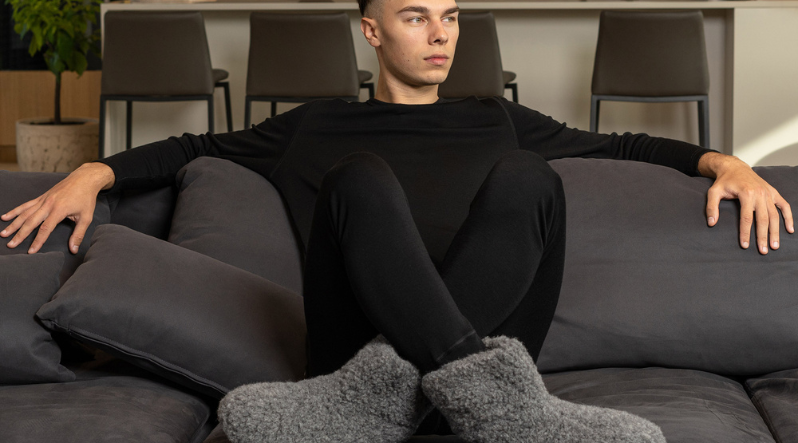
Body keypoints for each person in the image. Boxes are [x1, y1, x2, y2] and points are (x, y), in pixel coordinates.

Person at [1, 0, 793, 441]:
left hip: (495, 337)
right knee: (360, 180)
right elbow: (191, 144)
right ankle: (503, 410)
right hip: (352, 346)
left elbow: (625, 142)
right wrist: (93, 171)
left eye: (449, 16)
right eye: (416, 17)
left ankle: (387, 400)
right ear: (372, 31)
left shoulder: (498, 118)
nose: (441, 32)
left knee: (528, 177)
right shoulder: (313, 126)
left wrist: (724, 162)